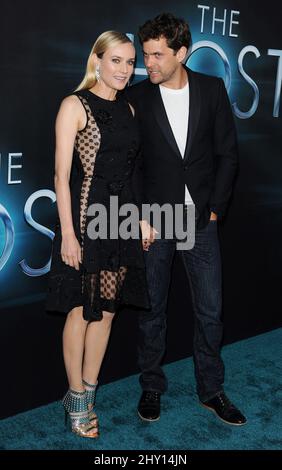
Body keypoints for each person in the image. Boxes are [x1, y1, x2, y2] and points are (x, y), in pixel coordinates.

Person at [126, 13, 247, 426]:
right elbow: (132, 165)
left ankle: (211, 389)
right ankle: (151, 386)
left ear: (182, 52)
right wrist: (141, 215)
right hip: (156, 219)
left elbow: (227, 154)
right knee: (152, 309)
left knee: (210, 310)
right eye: (146, 54)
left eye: (158, 54)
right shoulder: (138, 97)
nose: (149, 63)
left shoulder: (213, 89)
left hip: (199, 218)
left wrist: (215, 208)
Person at [46, 31, 150, 438]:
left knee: (106, 311)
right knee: (79, 310)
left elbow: (133, 173)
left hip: (120, 221)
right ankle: (74, 397)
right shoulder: (74, 105)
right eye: (116, 61)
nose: (124, 70)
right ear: (97, 61)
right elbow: (61, 177)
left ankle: (89, 392)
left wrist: (140, 219)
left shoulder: (130, 109)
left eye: (129, 62)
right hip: (86, 221)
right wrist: (69, 234)